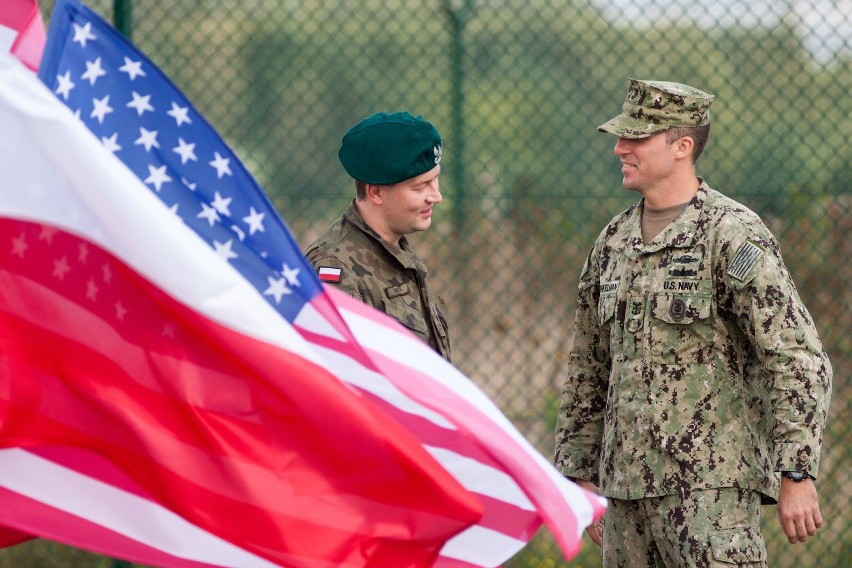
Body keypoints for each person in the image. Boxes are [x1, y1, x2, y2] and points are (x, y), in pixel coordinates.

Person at [554, 78, 832, 567]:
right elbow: (588, 367)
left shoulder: (731, 235)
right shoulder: (613, 242)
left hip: (710, 495)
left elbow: (795, 356)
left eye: (636, 138)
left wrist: (798, 472)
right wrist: (578, 475)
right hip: (624, 497)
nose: (620, 148)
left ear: (682, 146)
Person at [305, 111, 451, 361]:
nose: (436, 196)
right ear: (375, 192)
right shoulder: (335, 267)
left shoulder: (394, 251)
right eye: (420, 187)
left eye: (435, 180)